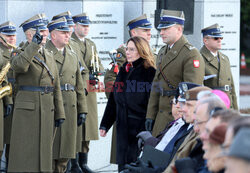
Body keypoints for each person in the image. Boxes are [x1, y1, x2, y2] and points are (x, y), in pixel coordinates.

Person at [8, 13, 65, 172]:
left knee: (44, 152)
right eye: (42, 31)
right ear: (29, 34)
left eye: (46, 31)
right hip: (28, 110)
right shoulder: (19, 51)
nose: (45, 34)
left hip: (47, 107)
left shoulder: (49, 54)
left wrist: (60, 112)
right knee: (26, 152)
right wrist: (33, 45)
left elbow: (56, 84)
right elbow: (19, 67)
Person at [100, 36, 156, 172]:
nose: (128, 52)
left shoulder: (149, 72)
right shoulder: (124, 69)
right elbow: (114, 99)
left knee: (135, 167)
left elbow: (152, 103)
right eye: (127, 49)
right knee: (122, 166)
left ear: (141, 51)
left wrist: (148, 127)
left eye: (132, 49)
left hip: (139, 130)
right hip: (122, 128)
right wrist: (105, 124)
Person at [146, 9, 205, 137]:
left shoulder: (190, 54)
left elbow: (192, 92)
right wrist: (150, 115)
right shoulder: (163, 51)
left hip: (177, 118)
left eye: (166, 29)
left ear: (179, 29)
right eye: (161, 29)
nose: (161, 33)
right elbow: (156, 86)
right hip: (160, 118)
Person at [45, 17, 88, 172]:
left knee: (65, 152)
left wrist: (82, 109)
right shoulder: (44, 52)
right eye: (63, 32)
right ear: (53, 35)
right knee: (51, 151)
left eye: (68, 32)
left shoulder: (72, 55)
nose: (67, 35)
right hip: (52, 105)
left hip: (70, 105)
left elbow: (79, 84)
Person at [72, 12, 104, 173]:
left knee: (88, 128)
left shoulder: (91, 44)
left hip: (89, 91)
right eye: (83, 25)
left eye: (87, 25)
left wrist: (97, 73)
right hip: (77, 89)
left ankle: (84, 162)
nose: (86, 28)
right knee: (76, 128)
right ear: (75, 26)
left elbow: (98, 63)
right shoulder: (70, 42)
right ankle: (74, 163)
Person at [201, 23, 238, 109]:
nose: (219, 40)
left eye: (221, 38)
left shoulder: (225, 59)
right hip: (212, 107)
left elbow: (231, 87)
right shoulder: (200, 58)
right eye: (216, 38)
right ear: (205, 40)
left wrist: (235, 111)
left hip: (228, 107)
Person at [0, 21, 16, 168]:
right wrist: (8, 100)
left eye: (13, 35)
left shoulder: (16, 52)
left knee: (13, 137)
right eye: (7, 35)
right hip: (5, 99)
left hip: (16, 99)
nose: (11, 38)